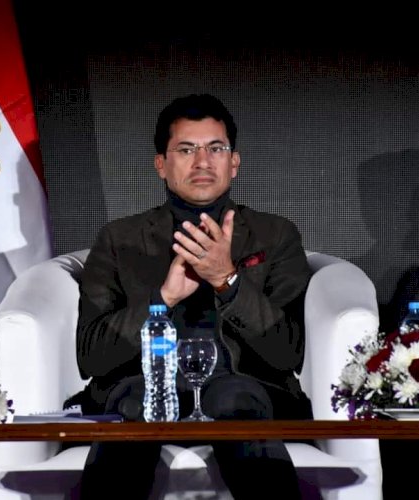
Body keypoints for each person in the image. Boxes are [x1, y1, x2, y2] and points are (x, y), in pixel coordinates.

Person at [74, 93, 313, 499]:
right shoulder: (120, 239)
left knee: (235, 396)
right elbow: (91, 357)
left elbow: (288, 351)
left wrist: (227, 280)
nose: (203, 162)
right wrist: (163, 298)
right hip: (142, 386)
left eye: (215, 149)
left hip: (244, 386)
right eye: (186, 150)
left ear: (234, 163)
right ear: (161, 165)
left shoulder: (274, 235)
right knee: (136, 401)